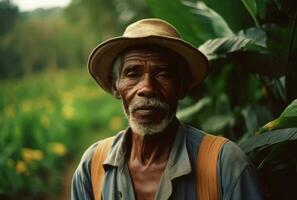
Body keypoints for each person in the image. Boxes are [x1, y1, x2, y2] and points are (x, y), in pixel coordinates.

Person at [71, 18, 263, 200]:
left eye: (163, 74)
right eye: (132, 73)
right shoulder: (92, 166)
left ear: (182, 86)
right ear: (116, 86)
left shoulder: (225, 164)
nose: (147, 88)